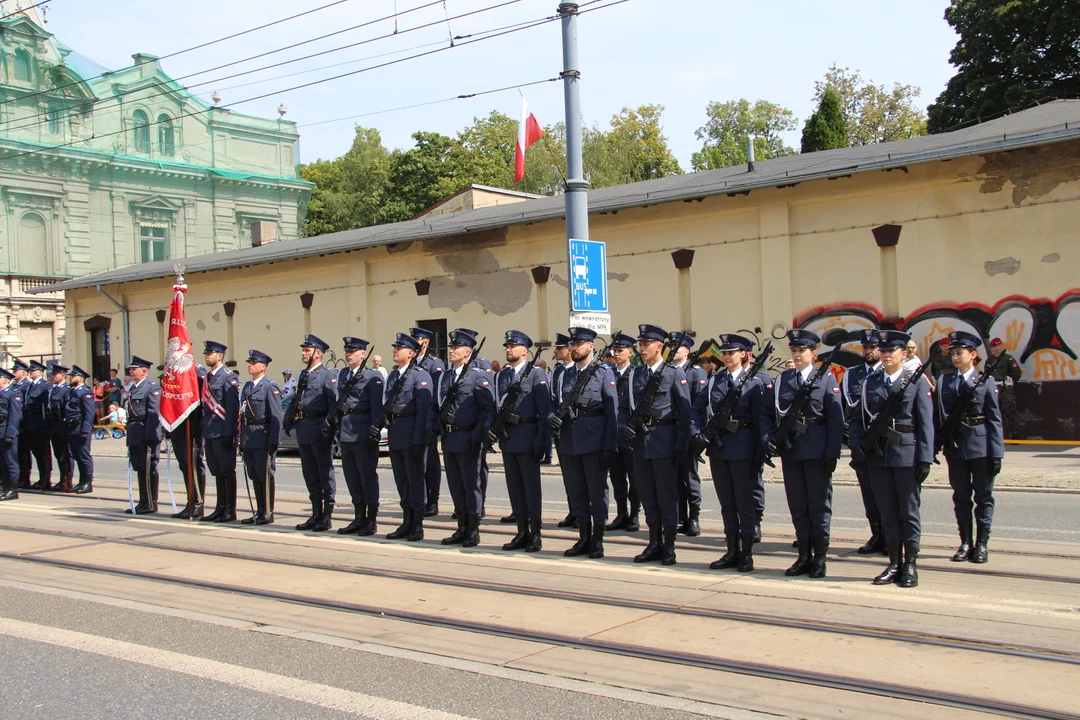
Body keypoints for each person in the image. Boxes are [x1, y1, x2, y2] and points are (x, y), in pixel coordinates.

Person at [850, 330, 934, 589]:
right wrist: (857, 446)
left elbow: (925, 422)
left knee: (908, 512)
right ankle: (894, 561)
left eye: (891, 351)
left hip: (906, 453)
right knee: (887, 513)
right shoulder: (871, 382)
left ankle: (910, 564)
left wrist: (925, 458)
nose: (885, 356)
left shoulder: (916, 381)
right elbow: (857, 419)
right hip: (878, 456)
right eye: (883, 351)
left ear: (904, 354)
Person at [767, 329, 843, 579]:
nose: (798, 355)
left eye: (802, 351)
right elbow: (775, 414)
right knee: (798, 505)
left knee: (818, 506)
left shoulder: (826, 378)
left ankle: (819, 558)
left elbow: (835, 419)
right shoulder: (784, 379)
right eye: (794, 351)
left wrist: (832, 453)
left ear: (814, 353)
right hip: (792, 450)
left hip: (817, 450)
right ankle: (803, 556)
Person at [693, 333, 772, 571]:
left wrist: (761, 450)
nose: (727, 357)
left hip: (745, 449)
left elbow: (763, 419)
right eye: (724, 354)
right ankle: (731, 551)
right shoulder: (715, 381)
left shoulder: (756, 381)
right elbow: (697, 409)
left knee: (744, 503)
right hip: (719, 449)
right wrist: (698, 433)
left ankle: (746, 553)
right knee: (727, 504)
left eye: (731, 353)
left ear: (744, 354)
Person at [618, 325, 690, 565]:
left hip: (664, 440)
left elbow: (685, 412)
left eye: (646, 344)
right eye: (640, 344)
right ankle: (653, 543)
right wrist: (624, 428)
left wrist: (681, 445)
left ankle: (669, 546)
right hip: (640, 442)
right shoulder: (636, 374)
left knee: (666, 495)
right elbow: (624, 408)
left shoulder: (673, 373)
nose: (642, 348)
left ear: (659, 346)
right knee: (647, 494)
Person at [549, 327, 618, 559]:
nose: (574, 347)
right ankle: (583, 538)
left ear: (591, 346)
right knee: (576, 492)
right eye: (572, 344)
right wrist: (552, 416)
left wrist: (610, 446)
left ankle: (597, 540)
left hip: (594, 442)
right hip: (569, 441)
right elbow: (555, 403)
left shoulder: (603, 373)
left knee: (597, 493)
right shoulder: (566, 374)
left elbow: (613, 413)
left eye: (579, 343)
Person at [938, 331, 1004, 564]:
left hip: (981, 445)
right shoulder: (945, 380)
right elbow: (941, 416)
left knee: (984, 497)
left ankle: (982, 544)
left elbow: (994, 419)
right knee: (961, 496)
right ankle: (965, 542)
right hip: (956, 446)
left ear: (973, 355)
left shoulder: (985, 381)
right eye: (953, 353)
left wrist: (997, 452)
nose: (955, 357)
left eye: (960, 353)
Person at [432, 328, 494, 547]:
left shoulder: (477, 376)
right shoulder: (445, 377)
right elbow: (437, 405)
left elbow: (487, 409)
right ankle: (461, 527)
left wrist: (478, 436)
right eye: (451, 347)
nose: (452, 351)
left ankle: (473, 529)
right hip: (449, 439)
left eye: (456, 347)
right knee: (456, 485)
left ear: (468, 351)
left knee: (471, 485)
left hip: (469, 438)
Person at [492, 330, 550, 552]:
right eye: (507, 346)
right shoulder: (502, 376)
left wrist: (540, 443)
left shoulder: (536, 375)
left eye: (513, 346)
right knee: (515, 488)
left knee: (531, 489)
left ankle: (535, 534)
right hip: (508, 438)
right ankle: (521, 532)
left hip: (528, 436)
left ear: (524, 350)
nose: (508, 349)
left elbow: (544, 413)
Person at [284, 334, 339, 532]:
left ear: (318, 353)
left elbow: (333, 405)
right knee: (310, 474)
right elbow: (296, 398)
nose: (303, 353)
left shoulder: (327, 375)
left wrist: (330, 430)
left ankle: (327, 515)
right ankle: (315, 513)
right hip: (304, 428)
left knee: (324, 473)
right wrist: (289, 417)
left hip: (319, 429)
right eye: (303, 349)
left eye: (307, 350)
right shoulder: (303, 374)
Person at [384, 333, 433, 542]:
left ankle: (417, 524)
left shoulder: (420, 376)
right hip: (396, 434)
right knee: (401, 481)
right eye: (395, 347)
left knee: (415, 481)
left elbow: (423, 411)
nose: (395, 351)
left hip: (412, 434)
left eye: (400, 348)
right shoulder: (394, 376)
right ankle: (406, 521)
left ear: (411, 353)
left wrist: (418, 440)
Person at [840, 329, 886, 555]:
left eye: (873, 347)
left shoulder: (891, 372)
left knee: (888, 494)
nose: (869, 351)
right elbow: (849, 407)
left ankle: (892, 536)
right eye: (866, 347)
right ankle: (877, 534)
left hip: (886, 442)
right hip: (862, 441)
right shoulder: (852, 374)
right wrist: (853, 441)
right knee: (868, 493)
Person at [334, 337, 384, 536]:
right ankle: (358, 517)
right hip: (346, 433)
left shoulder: (372, 376)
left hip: (363, 433)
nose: (348, 354)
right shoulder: (343, 374)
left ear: (363, 354)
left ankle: (371, 520)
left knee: (367, 477)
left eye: (353, 351)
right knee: (352, 478)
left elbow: (376, 408)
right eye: (347, 350)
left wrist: (374, 431)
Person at [668, 332, 707, 537]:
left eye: (678, 346)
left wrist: (695, 434)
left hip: (689, 433)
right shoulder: (669, 371)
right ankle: (681, 517)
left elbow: (699, 406)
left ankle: (694, 518)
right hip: (671, 433)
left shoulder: (696, 373)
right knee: (675, 479)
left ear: (687, 351)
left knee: (690, 477)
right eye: (671, 346)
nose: (673, 349)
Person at [239, 350, 283, 525]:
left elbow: (276, 416)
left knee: (265, 474)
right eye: (249, 363)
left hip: (262, 435)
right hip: (249, 436)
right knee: (254, 474)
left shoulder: (269, 386)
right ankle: (258, 510)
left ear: (263, 367)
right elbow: (242, 416)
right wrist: (241, 439)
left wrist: (274, 440)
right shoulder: (247, 387)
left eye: (254, 363)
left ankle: (267, 511)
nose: (250, 366)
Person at [200, 341, 241, 524]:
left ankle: (229, 510)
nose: (207, 356)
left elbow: (232, 408)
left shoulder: (228, 377)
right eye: (206, 353)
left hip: (223, 431)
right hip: (210, 430)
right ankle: (220, 507)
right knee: (216, 471)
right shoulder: (207, 378)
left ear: (220, 356)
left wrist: (230, 433)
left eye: (211, 353)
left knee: (226, 471)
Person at [605, 332, 640, 532]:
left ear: (630, 352)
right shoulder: (608, 373)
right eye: (614, 351)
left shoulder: (637, 373)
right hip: (612, 434)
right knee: (617, 477)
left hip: (629, 434)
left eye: (620, 351)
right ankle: (621, 513)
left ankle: (635, 513)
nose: (616, 354)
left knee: (634, 477)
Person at [410, 328, 446, 517]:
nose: (416, 342)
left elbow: (437, 393)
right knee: (416, 464)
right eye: (414, 339)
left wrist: (433, 422)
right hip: (412, 420)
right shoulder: (410, 363)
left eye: (419, 339)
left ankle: (433, 500)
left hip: (428, 418)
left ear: (426, 343)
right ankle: (419, 499)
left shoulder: (434, 364)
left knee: (430, 463)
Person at [743, 348, 775, 544]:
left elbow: (767, 411)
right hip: (740, 439)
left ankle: (756, 521)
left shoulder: (763, 377)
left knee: (754, 481)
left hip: (756, 437)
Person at [124, 356, 162, 514]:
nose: (131, 371)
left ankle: (151, 503)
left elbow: (154, 413)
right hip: (135, 432)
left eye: (134, 369)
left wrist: (151, 436)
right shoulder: (134, 388)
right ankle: (143, 500)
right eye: (131, 369)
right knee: (139, 467)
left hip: (146, 433)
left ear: (144, 371)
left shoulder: (151, 387)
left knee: (148, 467)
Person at [550, 332, 577, 528]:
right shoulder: (558, 372)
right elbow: (553, 398)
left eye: (559, 348)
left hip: (577, 426)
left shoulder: (578, 370)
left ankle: (583, 511)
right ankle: (573, 509)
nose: (556, 352)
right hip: (561, 427)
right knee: (568, 473)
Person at [65, 365, 96, 495]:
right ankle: (81, 481)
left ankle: (88, 482)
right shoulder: (73, 391)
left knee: (84, 456)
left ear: (80, 378)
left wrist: (85, 429)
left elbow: (89, 413)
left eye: (73, 376)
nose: (71, 378)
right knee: (76, 455)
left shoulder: (85, 392)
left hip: (80, 428)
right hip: (72, 428)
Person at [24, 360, 53, 490]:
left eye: (33, 370)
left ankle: (45, 479)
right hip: (30, 423)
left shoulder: (45, 386)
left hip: (40, 424)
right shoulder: (30, 386)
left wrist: (45, 425)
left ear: (40, 372)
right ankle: (38, 478)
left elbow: (46, 408)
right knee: (35, 452)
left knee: (42, 454)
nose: (30, 372)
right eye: (30, 370)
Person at [46, 364, 73, 493]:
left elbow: (67, 409)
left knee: (65, 454)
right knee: (58, 454)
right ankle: (62, 477)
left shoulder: (66, 390)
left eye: (55, 374)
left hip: (62, 426)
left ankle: (67, 480)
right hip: (53, 425)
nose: (53, 376)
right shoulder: (53, 389)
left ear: (63, 375)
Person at [988, 338, 1023, 439]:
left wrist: (1011, 383)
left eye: (998, 346)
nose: (996, 349)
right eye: (994, 347)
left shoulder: (1008, 359)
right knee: (993, 412)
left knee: (1010, 412)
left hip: (1005, 389)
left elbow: (1017, 373)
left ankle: (1015, 435)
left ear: (1001, 346)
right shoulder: (990, 361)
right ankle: (995, 435)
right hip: (994, 389)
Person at [0, 368, 24, 501]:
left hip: (7, 433)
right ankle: (5, 487)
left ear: (5, 379)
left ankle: (12, 489)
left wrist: (10, 433)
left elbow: (15, 416)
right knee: (2, 463)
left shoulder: (13, 394)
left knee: (10, 462)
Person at [11, 359, 32, 488]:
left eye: (16, 370)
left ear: (24, 372)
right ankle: (17, 477)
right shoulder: (14, 386)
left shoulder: (26, 386)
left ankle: (24, 478)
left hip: (23, 423)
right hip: (16, 425)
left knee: (23, 452)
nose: (14, 372)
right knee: (16, 453)